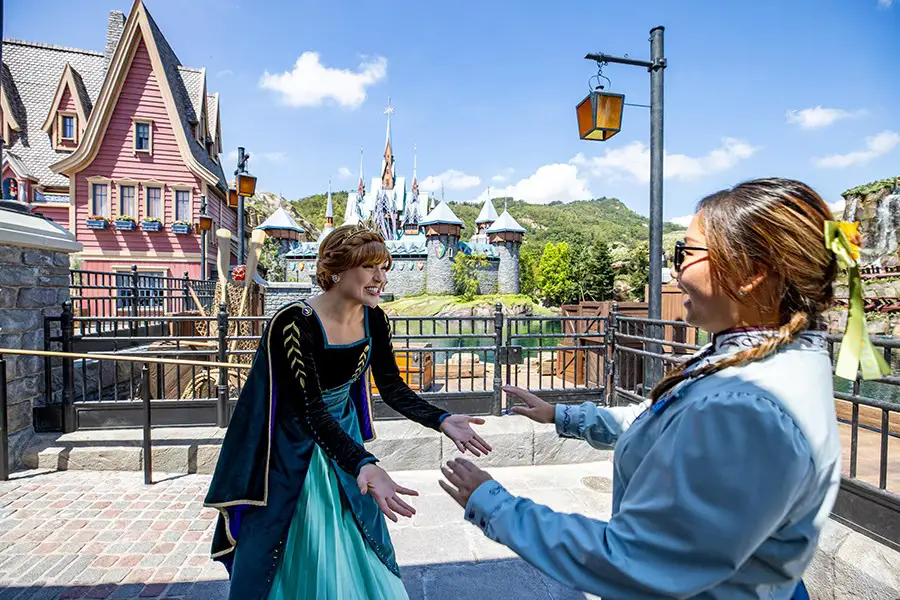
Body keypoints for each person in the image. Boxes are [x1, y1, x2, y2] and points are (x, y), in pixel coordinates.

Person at [440, 178, 876, 599]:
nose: (676, 268)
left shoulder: (745, 406)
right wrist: (562, 415)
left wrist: (496, 506)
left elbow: (641, 562)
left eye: (686, 253)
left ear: (751, 273)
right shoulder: (762, 358)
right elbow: (672, 420)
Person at [205, 223, 492, 600]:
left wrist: (438, 418)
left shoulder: (374, 319)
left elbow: (390, 386)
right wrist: (364, 463)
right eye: (370, 267)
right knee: (304, 544)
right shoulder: (293, 323)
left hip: (346, 441)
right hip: (294, 451)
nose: (381, 278)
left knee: (358, 538)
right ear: (337, 270)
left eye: (384, 267)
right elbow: (311, 411)